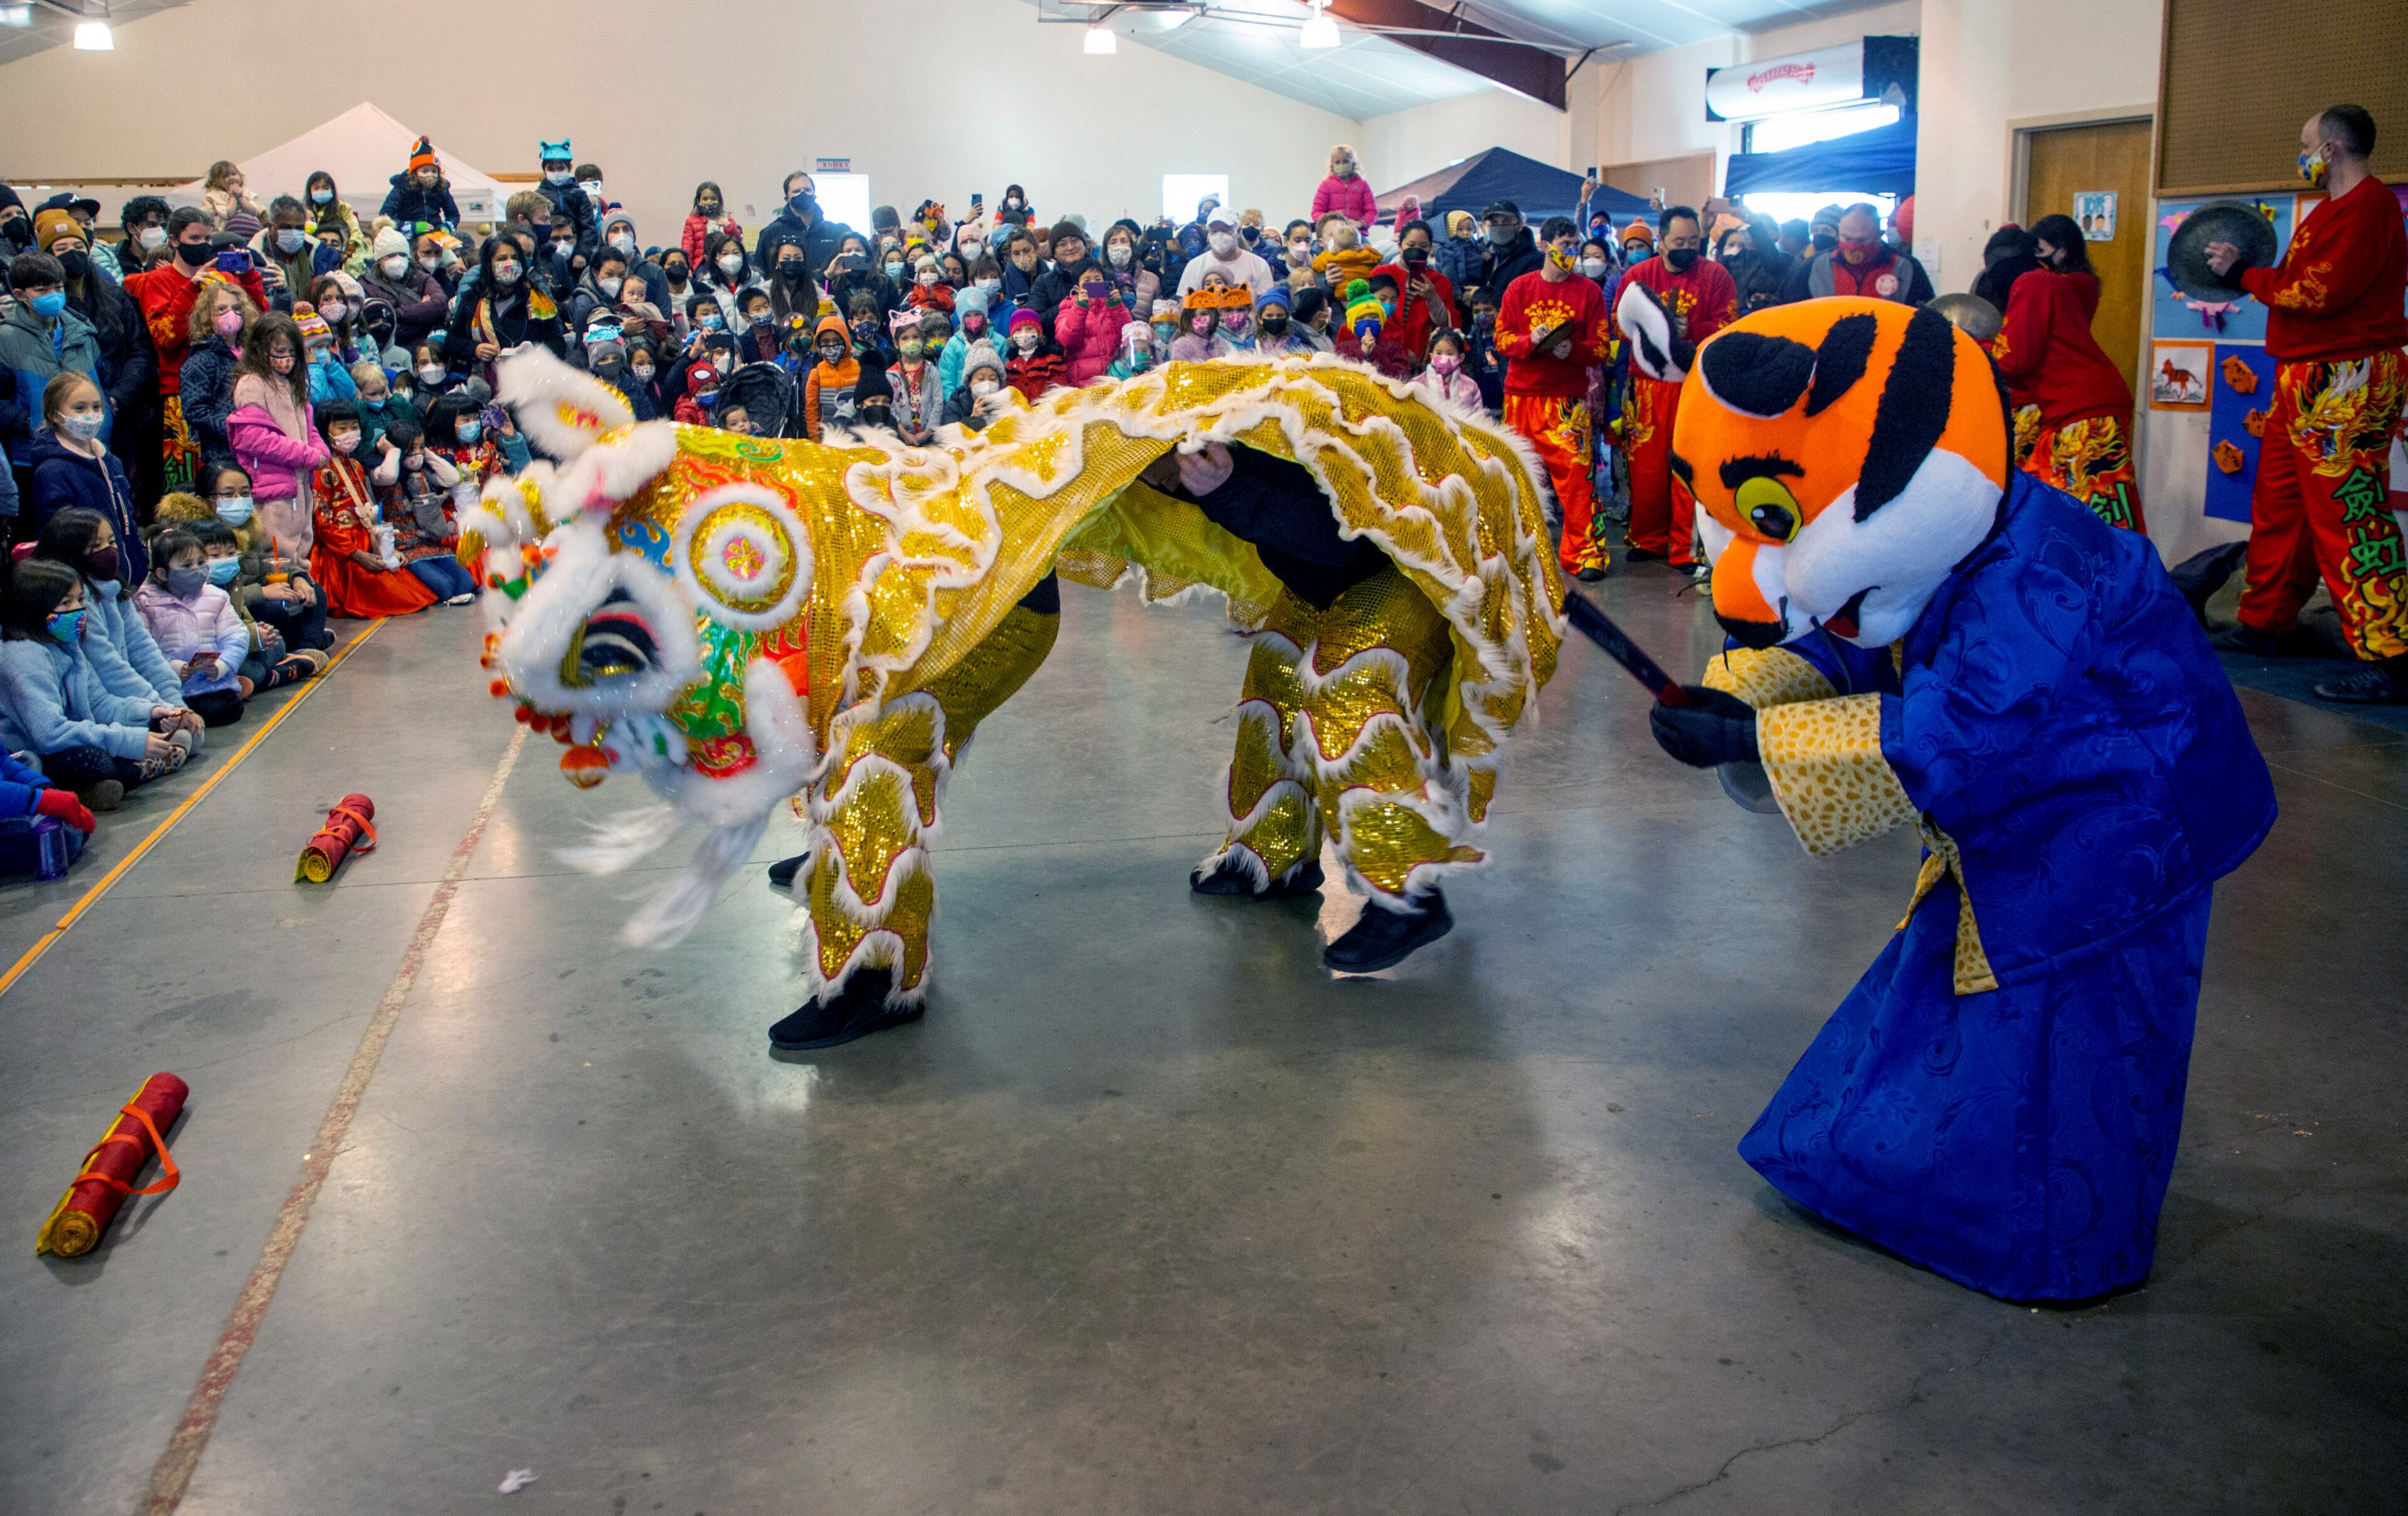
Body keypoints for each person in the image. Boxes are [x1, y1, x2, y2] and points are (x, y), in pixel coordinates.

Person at [1647, 297, 2273, 1302]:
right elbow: (1851, 637)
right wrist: (1740, 691)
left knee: (2071, 1027)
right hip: (2039, 814)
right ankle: (1915, 1181)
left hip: (2123, 823)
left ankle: (2053, 1245)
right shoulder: (1946, 536)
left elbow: (1963, 736)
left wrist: (1764, 738)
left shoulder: (2040, 568)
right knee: (1963, 992)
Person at [2205, 103, 2408, 702]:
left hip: (2347, 376)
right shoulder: (2331, 211)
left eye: (2306, 145)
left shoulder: (2369, 206)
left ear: (2333, 149)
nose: (2303, 156)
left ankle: (2391, 654)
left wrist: (2244, 273)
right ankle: (2267, 622)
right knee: (2283, 503)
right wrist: (2252, 275)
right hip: (2307, 375)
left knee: (2350, 511)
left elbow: (2313, 291)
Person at [1988, 213, 2143, 533]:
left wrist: (1978, 353)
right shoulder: (2048, 282)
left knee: (2098, 514)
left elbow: (2015, 359)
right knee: (2067, 504)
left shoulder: (2035, 283)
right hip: (2071, 407)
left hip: (2084, 409)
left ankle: (2121, 581)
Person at [0, 558, 188, 811]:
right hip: (36, 753)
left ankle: (102, 786)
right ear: (34, 607)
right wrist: (127, 740)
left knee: (166, 731)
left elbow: (99, 702)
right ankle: (116, 777)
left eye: (80, 601)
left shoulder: (65, 644)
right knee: (95, 761)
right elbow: (49, 734)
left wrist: (152, 710)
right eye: (66, 603)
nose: (78, 610)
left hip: (75, 735)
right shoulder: (22, 656)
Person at [1615, 204, 1736, 573]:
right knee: (1646, 470)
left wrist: (1691, 329)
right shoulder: (1639, 276)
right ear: (1662, 241)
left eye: (1694, 241)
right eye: (1679, 241)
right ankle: (1648, 539)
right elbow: (1621, 327)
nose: (1687, 247)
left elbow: (1729, 324)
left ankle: (1686, 548)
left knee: (1690, 468)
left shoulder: (1716, 275)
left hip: (1695, 385)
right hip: (1648, 386)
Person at [1494, 219, 1614, 578]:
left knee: (1578, 480)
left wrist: (1571, 349)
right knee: (1515, 480)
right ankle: (1512, 552)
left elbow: (1602, 349)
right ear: (1546, 245)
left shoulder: (1589, 292)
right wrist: (1530, 341)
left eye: (1574, 245)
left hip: (1566, 401)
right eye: (1564, 244)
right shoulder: (1519, 288)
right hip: (1520, 398)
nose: (1570, 252)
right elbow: (1501, 340)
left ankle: (1586, 554)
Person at [30, 504, 193, 729]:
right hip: (101, 708)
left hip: (123, 702)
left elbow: (143, 649)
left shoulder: (115, 590)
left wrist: (174, 703)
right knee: (180, 736)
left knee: (188, 732)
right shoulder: (77, 602)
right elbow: (108, 666)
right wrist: (158, 706)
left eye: (112, 542)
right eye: (96, 545)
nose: (108, 551)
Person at [40, 214, 152, 476]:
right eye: (62, 248)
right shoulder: (51, 306)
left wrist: (118, 397)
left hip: (120, 408)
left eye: (78, 247)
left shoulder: (115, 296)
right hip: (69, 415)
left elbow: (139, 349)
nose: (72, 254)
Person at [306, 399, 440, 618]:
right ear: (324, 431)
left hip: (367, 541)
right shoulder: (321, 470)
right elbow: (323, 524)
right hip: (341, 552)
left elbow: (368, 512)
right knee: (396, 597)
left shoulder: (356, 465)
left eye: (354, 427)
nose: (350, 433)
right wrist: (359, 555)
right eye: (342, 428)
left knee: (417, 595)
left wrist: (387, 548)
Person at [225, 312, 326, 576]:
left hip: (301, 481)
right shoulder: (252, 384)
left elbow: (308, 426)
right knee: (277, 550)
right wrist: (306, 456)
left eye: (292, 352)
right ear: (261, 349)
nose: (287, 359)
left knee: (302, 541)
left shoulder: (293, 384)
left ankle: (302, 582)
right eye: (279, 351)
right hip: (273, 485)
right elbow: (254, 438)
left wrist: (320, 450)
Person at [197, 458, 327, 655]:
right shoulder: (195, 537)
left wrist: (297, 577)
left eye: (245, 493)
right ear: (205, 500)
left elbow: (266, 565)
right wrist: (263, 593)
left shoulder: (248, 527)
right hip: (231, 612)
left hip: (257, 595)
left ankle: (307, 648)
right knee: (272, 614)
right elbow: (204, 595)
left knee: (314, 593)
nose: (239, 500)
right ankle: (303, 645)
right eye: (228, 494)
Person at [132, 525, 253, 726]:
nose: (197, 570)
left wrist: (222, 666)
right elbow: (141, 649)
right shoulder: (145, 603)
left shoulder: (217, 597)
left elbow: (236, 636)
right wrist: (173, 667)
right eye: (187, 566)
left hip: (210, 684)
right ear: (162, 573)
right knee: (162, 717)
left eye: (201, 562)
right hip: (167, 685)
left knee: (227, 709)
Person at [1, 252, 107, 464]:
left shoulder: (82, 330)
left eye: (58, 288)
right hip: (34, 453)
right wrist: (25, 422)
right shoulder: (5, 339)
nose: (53, 295)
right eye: (42, 290)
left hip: (91, 448)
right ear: (20, 295)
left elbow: (103, 379)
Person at [445, 236, 565, 386]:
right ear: (489, 264)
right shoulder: (472, 298)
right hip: (486, 384)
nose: (510, 263)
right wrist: (474, 349)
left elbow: (558, 342)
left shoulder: (537, 298)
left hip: (532, 383)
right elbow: (452, 340)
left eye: (515, 258)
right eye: (502, 259)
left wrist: (535, 352)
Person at [1779, 202, 1934, 305]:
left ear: (1879, 235)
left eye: (1862, 240)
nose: (1853, 246)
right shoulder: (1816, 266)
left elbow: (1926, 319)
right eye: (1847, 238)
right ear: (1839, 232)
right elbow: (1786, 307)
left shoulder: (1905, 268)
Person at [1371, 220, 1458, 361]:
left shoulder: (1440, 282)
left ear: (1430, 248)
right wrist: (1400, 351)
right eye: (1411, 245)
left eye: (1423, 246)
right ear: (1400, 246)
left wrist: (1432, 297)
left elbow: (1448, 325)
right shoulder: (1381, 274)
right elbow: (1367, 314)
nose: (1417, 250)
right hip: (1383, 354)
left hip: (1424, 360)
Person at [363, 226, 448, 351]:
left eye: (402, 255)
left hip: (422, 351)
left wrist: (398, 313)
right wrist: (422, 311)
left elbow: (440, 306)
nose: (398, 260)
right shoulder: (366, 284)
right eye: (391, 255)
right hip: (386, 351)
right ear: (379, 260)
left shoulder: (423, 279)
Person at [756, 171, 850, 275]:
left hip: (828, 290)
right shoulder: (771, 234)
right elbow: (761, 273)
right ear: (787, 199)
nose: (803, 194)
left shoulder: (836, 232)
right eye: (796, 191)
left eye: (807, 190)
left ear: (815, 195)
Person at [1054, 267, 1131, 384]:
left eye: (1098, 279)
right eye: (1087, 281)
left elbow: (1128, 337)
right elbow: (1067, 341)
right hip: (1082, 383)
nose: (1094, 283)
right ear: (1077, 288)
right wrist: (1080, 307)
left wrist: (1117, 306)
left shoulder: (1113, 306)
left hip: (1113, 380)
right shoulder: (1068, 308)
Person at [1177, 211, 1277, 300]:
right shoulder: (1195, 265)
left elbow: (1266, 304)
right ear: (1209, 234)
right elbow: (1185, 304)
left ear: (1238, 231)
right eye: (1214, 232)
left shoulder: (1259, 265)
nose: (1220, 236)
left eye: (1226, 230)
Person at [532, 137, 598, 260]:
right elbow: (537, 229)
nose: (556, 172)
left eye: (561, 168)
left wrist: (582, 253)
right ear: (544, 170)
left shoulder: (580, 195)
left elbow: (588, 227)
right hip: (548, 253)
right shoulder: (538, 197)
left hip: (576, 253)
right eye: (551, 169)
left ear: (569, 168)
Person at [104, 195, 172, 282]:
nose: (159, 231)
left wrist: (172, 278)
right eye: (151, 225)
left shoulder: (171, 260)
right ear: (132, 228)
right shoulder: (114, 259)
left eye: (163, 226)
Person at [1311, 143, 1378, 228]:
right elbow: (1317, 212)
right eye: (1337, 162)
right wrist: (1332, 223)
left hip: (1357, 233)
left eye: (1346, 161)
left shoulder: (1363, 185)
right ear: (1332, 164)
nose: (1341, 165)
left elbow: (1372, 212)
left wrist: (1360, 224)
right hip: (1333, 232)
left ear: (1353, 163)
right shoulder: (1326, 185)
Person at [1003, 308, 1065, 399]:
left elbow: (1061, 393)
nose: (1024, 334)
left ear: (1039, 332)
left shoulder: (1052, 360)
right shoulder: (1010, 364)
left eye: (1029, 329)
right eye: (1019, 330)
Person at [944, 342, 1008, 428]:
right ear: (970, 382)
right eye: (981, 379)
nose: (987, 383)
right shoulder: (954, 407)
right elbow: (949, 437)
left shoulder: (1007, 405)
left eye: (993, 379)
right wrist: (974, 419)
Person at [1417, 327, 1482, 411]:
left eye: (1450, 354)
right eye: (1439, 353)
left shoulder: (1470, 386)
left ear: (1461, 357)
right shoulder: (1419, 383)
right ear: (1432, 356)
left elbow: (1478, 416)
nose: (1444, 358)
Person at [1309, 215, 1380, 292]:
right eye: (1333, 234)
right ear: (1321, 242)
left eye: (1344, 233)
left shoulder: (1365, 252)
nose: (1340, 238)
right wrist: (1329, 285)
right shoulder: (1318, 265)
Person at [684, 182, 740, 271]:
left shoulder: (727, 220)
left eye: (713, 199)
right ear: (698, 201)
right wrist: (687, 268)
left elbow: (738, 241)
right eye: (705, 199)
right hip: (702, 264)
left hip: (725, 262)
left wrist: (728, 226)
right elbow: (688, 247)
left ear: (719, 201)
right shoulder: (692, 221)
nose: (709, 202)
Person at [198, 161, 263, 232]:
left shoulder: (246, 193)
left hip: (250, 230)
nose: (232, 178)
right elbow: (228, 214)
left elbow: (253, 212)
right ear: (216, 181)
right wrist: (233, 197)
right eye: (226, 176)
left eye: (234, 174)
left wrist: (241, 197)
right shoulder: (216, 196)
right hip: (226, 232)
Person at [1170, 288, 1223, 362]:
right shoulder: (1182, 345)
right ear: (1187, 319)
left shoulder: (1222, 343)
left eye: (1204, 314)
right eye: (1193, 316)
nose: (1199, 319)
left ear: (1213, 315)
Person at [1252, 286, 1306, 358]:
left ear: (1286, 317)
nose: (1275, 319)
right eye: (1269, 316)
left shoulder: (1296, 345)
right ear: (1260, 319)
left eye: (1280, 316)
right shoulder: (1251, 344)